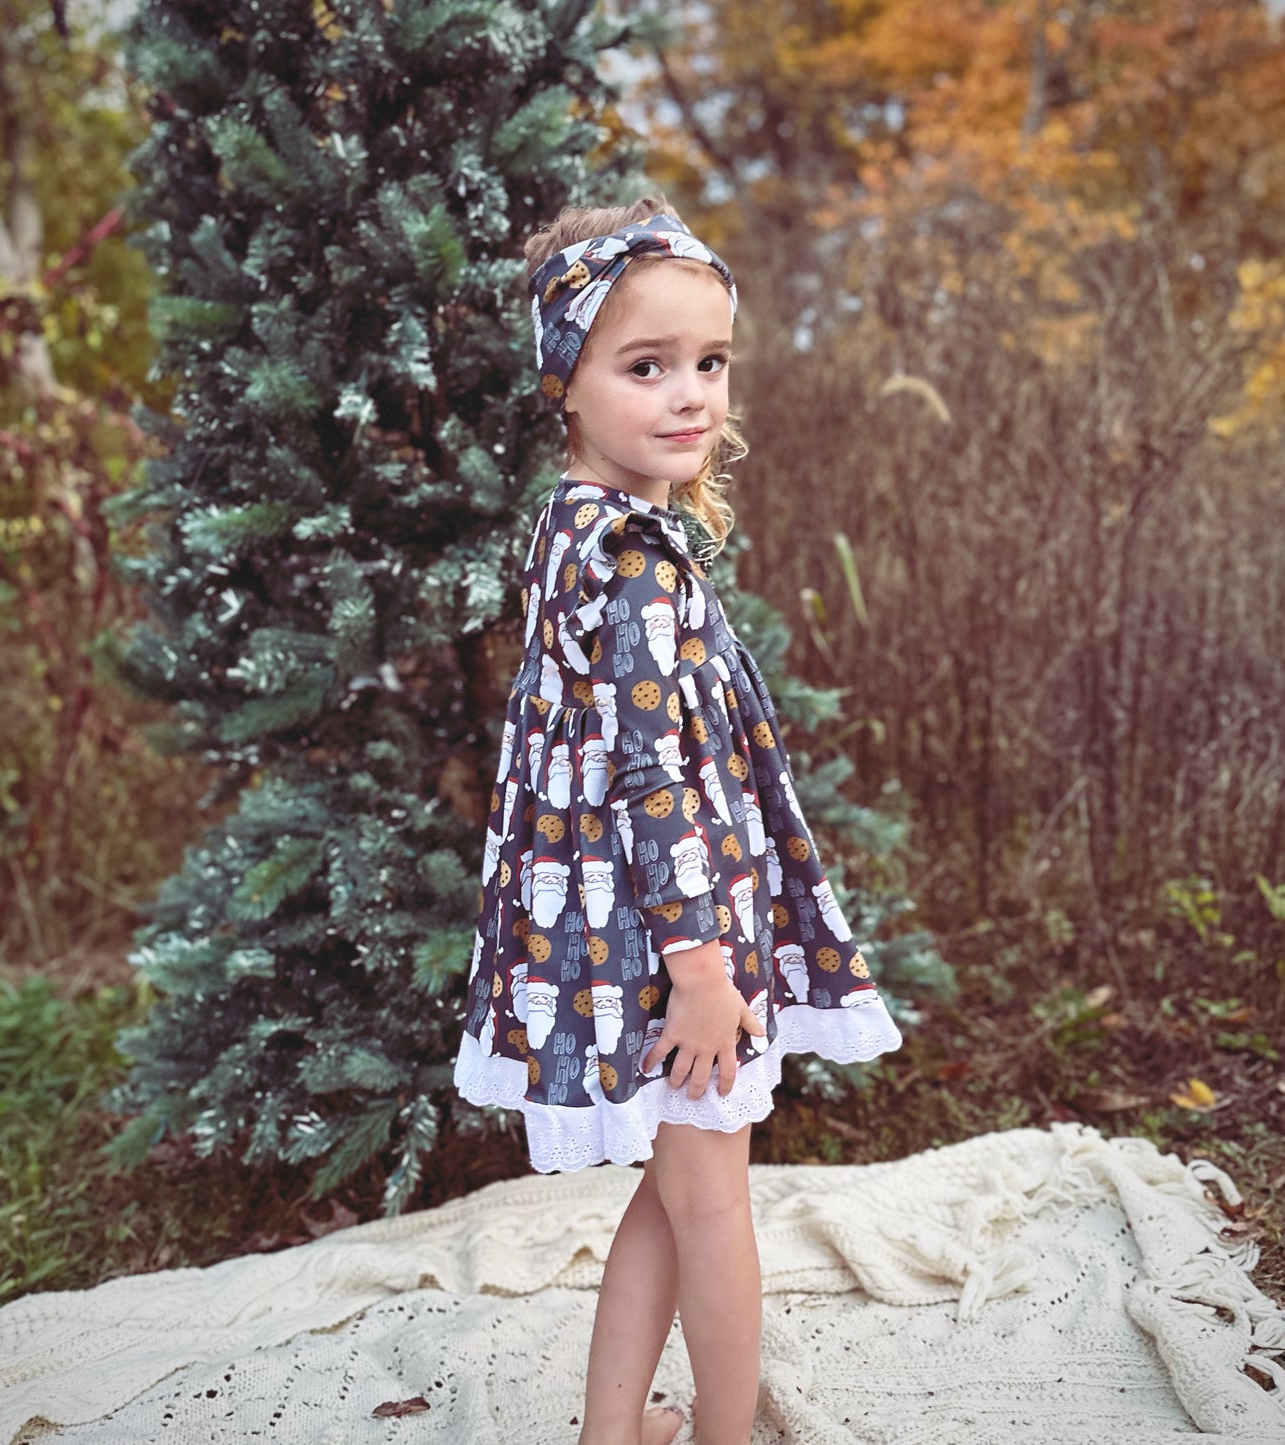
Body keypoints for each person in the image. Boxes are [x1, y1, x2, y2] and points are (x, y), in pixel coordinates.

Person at [453, 195, 904, 1445]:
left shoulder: (573, 525)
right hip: (674, 943)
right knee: (714, 1203)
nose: (689, 394)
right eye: (644, 366)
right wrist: (704, 975)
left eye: (708, 362)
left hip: (621, 936)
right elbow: (652, 784)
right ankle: (721, 1435)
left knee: (670, 1190)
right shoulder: (639, 563)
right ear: (567, 382)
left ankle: (611, 1435)